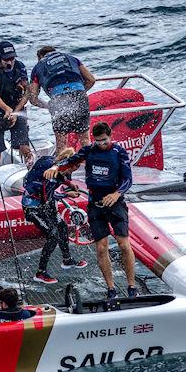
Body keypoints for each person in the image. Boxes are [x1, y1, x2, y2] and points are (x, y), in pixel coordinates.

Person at [44, 122, 137, 299]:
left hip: (115, 202)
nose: (101, 144)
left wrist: (117, 194)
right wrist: (56, 167)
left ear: (110, 136)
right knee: (101, 248)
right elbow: (69, 161)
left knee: (123, 244)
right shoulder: (89, 150)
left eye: (104, 140)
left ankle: (132, 286)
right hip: (95, 204)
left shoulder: (119, 152)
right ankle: (111, 289)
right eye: (98, 141)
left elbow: (128, 179)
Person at [22, 147, 87, 284]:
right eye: (72, 169)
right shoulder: (48, 168)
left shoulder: (63, 168)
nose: (71, 173)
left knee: (62, 226)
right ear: (66, 163)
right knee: (53, 236)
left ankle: (67, 260)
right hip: (33, 206)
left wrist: (69, 183)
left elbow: (61, 177)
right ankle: (40, 273)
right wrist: (66, 194)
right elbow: (46, 195)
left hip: (47, 203)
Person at [0, 41, 34, 204]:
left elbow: (27, 93)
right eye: (6, 59)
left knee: (25, 148)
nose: (10, 62)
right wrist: (7, 110)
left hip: (17, 108)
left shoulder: (20, 67)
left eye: (12, 58)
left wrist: (16, 110)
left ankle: (32, 185)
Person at [27, 46, 96, 154]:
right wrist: (80, 92)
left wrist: (49, 105)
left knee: (62, 144)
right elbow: (91, 80)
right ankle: (92, 167)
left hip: (58, 99)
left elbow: (33, 99)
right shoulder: (72, 58)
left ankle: (61, 169)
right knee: (85, 140)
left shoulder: (38, 66)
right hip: (79, 94)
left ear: (40, 57)